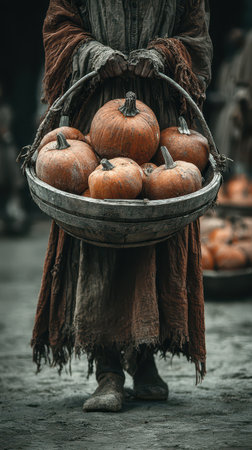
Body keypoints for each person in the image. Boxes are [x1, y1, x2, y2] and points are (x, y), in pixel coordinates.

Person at [31, 0, 212, 412]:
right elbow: (58, 26)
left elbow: (197, 37)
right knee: (98, 239)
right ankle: (107, 369)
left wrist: (164, 53)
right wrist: (92, 53)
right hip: (95, 115)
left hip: (161, 118)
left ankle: (145, 359)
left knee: (155, 235)